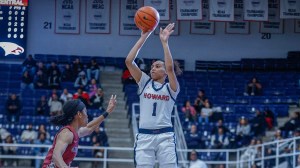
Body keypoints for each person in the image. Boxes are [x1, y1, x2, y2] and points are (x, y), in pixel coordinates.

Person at [125, 23, 181, 168]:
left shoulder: (171, 88)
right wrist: (143, 37)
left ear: (165, 72)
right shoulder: (145, 82)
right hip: (144, 136)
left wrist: (164, 42)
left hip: (165, 136)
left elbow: (170, 67)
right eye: (152, 67)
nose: (153, 69)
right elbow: (129, 61)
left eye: (157, 66)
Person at [42, 95, 117, 168]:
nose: (87, 116)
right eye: (85, 112)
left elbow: (90, 127)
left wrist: (108, 111)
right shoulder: (66, 134)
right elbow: (56, 155)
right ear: (79, 114)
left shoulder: (75, 132)